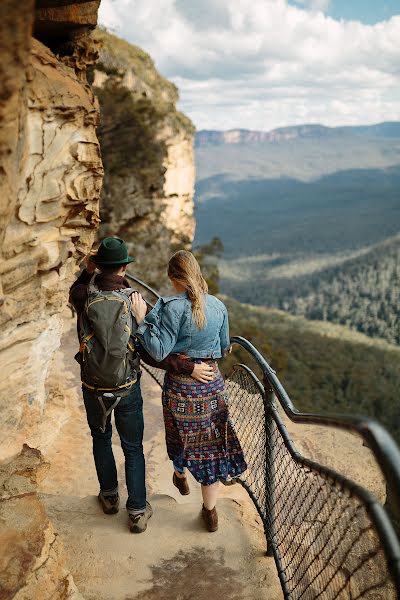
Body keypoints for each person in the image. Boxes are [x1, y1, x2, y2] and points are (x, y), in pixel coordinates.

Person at [69, 237, 215, 534]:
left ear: (99, 265)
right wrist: (189, 366)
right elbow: (153, 351)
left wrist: (87, 270)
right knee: (132, 447)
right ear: (125, 267)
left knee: (100, 438)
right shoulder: (135, 300)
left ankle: (109, 497)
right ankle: (136, 510)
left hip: (93, 385)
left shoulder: (84, 295)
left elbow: (74, 290)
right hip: (127, 386)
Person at [131, 249, 247, 532]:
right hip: (212, 385)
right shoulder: (218, 305)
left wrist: (141, 319)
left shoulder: (170, 306)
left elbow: (158, 350)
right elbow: (222, 348)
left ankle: (180, 473)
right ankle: (210, 512)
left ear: (174, 278)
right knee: (210, 445)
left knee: (179, 434)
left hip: (182, 388)